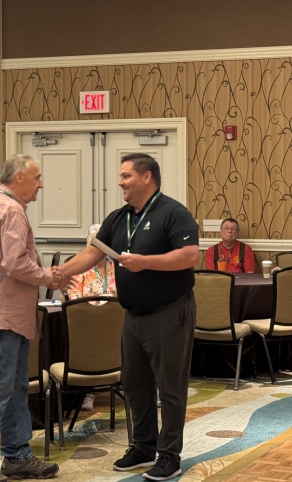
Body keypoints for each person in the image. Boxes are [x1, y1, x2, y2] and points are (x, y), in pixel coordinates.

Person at [56, 153, 199, 482]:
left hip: (170, 312)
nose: (120, 182)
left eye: (126, 176)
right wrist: (61, 272)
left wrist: (146, 262)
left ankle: (169, 456)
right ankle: (143, 447)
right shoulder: (119, 218)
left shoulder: (173, 213)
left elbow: (189, 255)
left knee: (170, 388)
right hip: (133, 315)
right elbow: (93, 253)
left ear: (147, 177)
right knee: (135, 385)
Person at [0, 155, 71, 482]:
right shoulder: (10, 210)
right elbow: (15, 263)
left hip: (2, 314)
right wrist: (48, 276)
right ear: (19, 177)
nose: (41, 184)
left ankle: (17, 456)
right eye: (37, 177)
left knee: (14, 388)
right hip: (2, 316)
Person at [65, 223, 117, 411]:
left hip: (114, 321)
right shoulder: (80, 268)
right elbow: (74, 299)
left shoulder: (115, 267)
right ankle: (88, 392)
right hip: (88, 323)